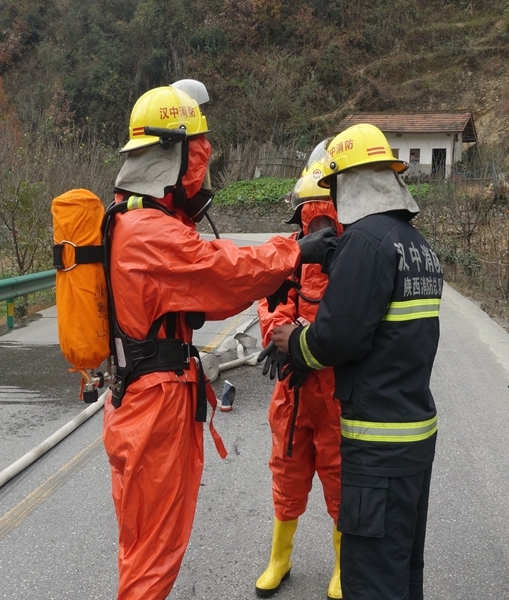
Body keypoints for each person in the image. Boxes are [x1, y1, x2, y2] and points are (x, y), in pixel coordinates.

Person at [101, 82, 337, 600]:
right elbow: (220, 270)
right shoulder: (149, 231)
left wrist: (275, 273)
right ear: (179, 156)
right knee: (152, 553)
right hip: (153, 406)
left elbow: (210, 295)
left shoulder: (127, 219)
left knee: (143, 545)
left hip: (140, 398)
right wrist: (294, 252)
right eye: (198, 158)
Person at [265, 123, 443, 600]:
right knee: (403, 567)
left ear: (349, 181)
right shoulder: (416, 245)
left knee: (372, 577)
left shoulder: (365, 242)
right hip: (414, 435)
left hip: (377, 441)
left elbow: (337, 337)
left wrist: (293, 343)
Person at [254, 143, 344, 599]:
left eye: (325, 217)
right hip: (293, 388)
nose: (318, 228)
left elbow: (351, 322)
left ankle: (344, 565)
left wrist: (306, 342)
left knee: (340, 476)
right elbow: (271, 304)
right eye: (311, 218)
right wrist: (282, 337)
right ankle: (280, 558)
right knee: (287, 471)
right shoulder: (288, 257)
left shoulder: (353, 259)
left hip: (337, 390)